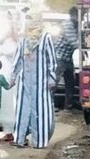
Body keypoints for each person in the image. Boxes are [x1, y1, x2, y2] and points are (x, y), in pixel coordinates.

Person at [12, 21, 59, 149]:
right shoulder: (23, 38)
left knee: (40, 110)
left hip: (41, 82)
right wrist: (13, 75)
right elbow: (18, 57)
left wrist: (51, 77)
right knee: (23, 109)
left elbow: (51, 59)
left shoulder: (45, 37)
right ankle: (20, 139)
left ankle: (39, 141)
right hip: (25, 81)